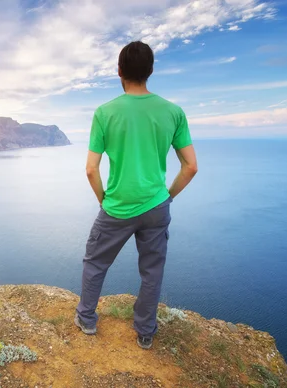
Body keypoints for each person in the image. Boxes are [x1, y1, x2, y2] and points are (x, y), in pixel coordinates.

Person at [74, 41, 198, 350]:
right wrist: (166, 197)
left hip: (117, 206)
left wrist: (104, 200)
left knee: (95, 262)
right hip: (156, 206)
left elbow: (91, 169)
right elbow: (190, 167)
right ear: (151, 71)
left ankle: (87, 320)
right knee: (152, 271)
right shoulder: (173, 112)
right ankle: (145, 332)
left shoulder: (105, 112)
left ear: (119, 71)